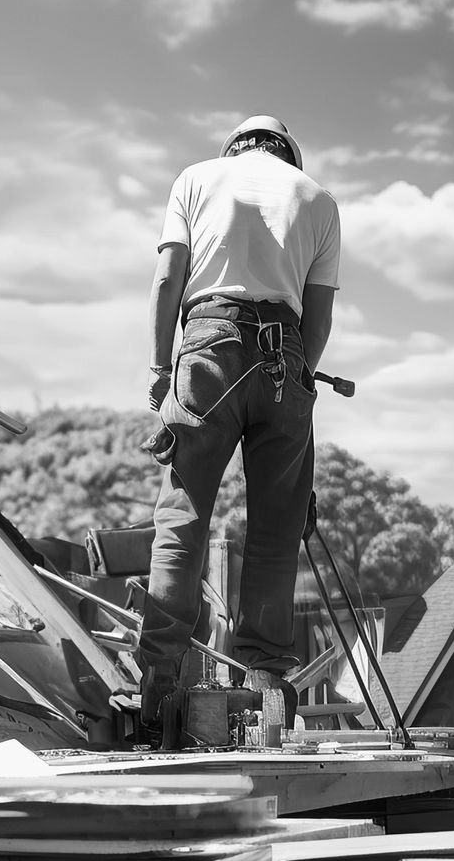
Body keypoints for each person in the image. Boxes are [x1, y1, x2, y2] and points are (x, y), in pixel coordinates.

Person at [136, 115, 341, 748]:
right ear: (288, 152)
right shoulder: (317, 199)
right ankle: (266, 693)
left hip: (210, 349)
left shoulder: (197, 179)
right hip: (287, 359)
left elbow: (170, 278)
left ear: (236, 147)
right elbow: (321, 312)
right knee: (277, 532)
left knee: (185, 516)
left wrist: (160, 368)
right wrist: (299, 385)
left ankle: (159, 691)